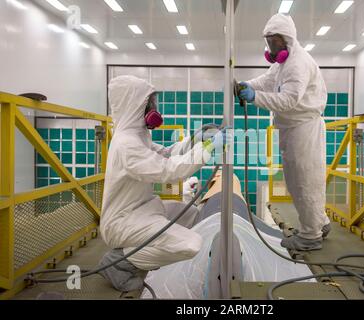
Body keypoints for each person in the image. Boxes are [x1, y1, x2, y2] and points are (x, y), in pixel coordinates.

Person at [98, 75, 228, 292]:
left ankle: (138, 254)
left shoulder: (137, 136)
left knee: (191, 214)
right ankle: (120, 261)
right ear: (134, 104)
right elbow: (169, 170)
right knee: (190, 244)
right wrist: (207, 149)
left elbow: (166, 155)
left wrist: (195, 139)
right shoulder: (126, 145)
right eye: (149, 103)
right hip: (123, 222)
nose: (154, 109)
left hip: (143, 211)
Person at [238, 13, 331, 251]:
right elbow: (268, 80)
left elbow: (288, 100)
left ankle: (310, 236)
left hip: (303, 127)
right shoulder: (283, 62)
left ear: (287, 39)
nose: (270, 46)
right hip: (293, 127)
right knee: (301, 180)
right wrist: (248, 85)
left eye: (274, 41)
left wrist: (255, 97)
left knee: (304, 182)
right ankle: (320, 222)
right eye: (268, 41)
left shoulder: (298, 63)